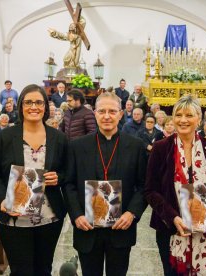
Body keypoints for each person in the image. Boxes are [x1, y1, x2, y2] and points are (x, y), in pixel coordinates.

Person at [64, 92, 147, 276]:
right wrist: (77, 215)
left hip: (120, 227)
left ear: (120, 114)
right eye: (102, 111)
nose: (107, 116)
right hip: (87, 227)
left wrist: (131, 213)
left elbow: (143, 186)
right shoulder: (77, 146)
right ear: (94, 113)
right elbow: (68, 184)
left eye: (112, 111)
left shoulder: (136, 146)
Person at [0, 84, 68, 276]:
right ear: (21, 106)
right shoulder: (6, 136)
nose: (34, 106)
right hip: (15, 217)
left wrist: (59, 177)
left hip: (49, 217)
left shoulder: (58, 138)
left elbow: (68, 172)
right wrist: (2, 199)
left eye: (39, 102)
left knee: (43, 269)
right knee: (20, 271)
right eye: (29, 102)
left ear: (46, 107)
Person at [145, 95, 206, 275]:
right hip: (170, 227)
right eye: (178, 115)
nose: (183, 120)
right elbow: (150, 190)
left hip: (204, 228)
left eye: (189, 115)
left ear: (199, 118)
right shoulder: (161, 147)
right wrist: (173, 217)